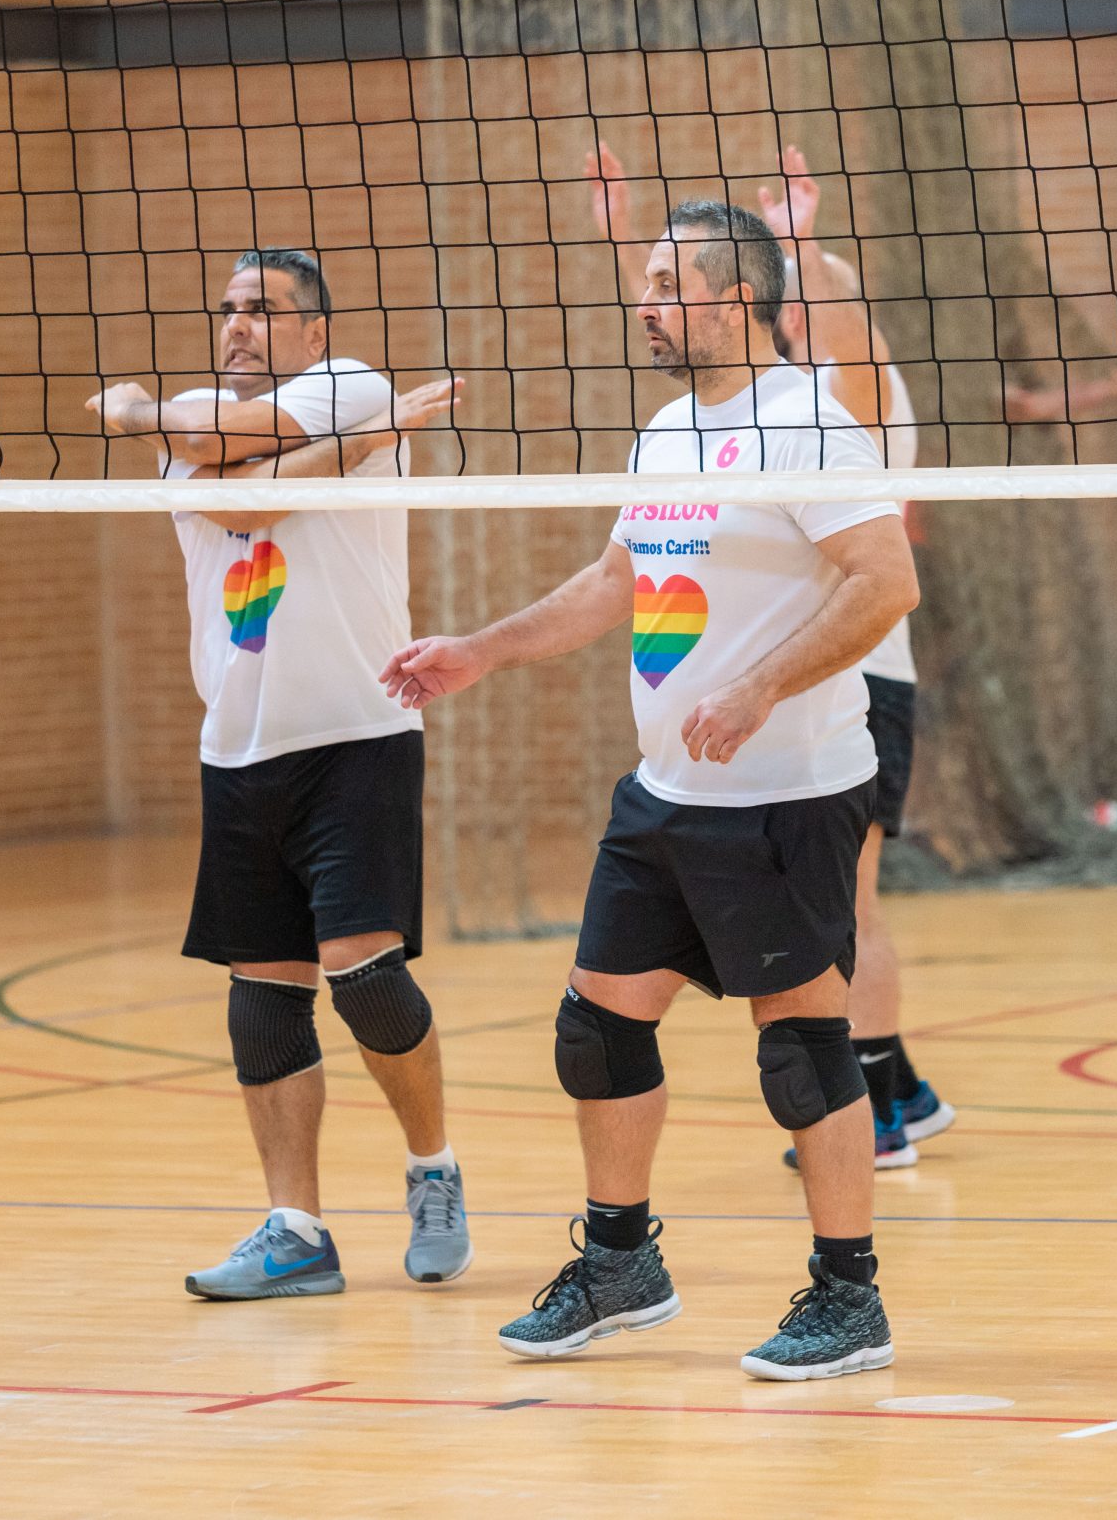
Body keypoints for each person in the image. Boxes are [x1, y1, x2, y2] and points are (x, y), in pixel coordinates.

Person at [383, 203, 919, 1379]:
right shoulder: (668, 429)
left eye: (669, 283)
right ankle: (621, 1262)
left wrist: (761, 686)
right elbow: (614, 579)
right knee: (598, 1024)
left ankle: (850, 1296)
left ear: (738, 298)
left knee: (801, 1049)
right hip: (666, 791)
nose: (646, 303)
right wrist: (480, 649)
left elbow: (885, 584)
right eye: (647, 281)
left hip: (785, 794)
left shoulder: (810, 424)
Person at [86, 248, 471, 1300]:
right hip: (239, 744)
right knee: (263, 994)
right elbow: (232, 493)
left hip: (357, 730)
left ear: (313, 331)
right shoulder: (195, 426)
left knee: (364, 972)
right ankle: (295, 1227)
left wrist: (136, 411)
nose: (239, 324)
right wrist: (347, 452)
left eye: (263, 309)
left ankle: (433, 1166)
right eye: (228, 308)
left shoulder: (351, 384)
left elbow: (239, 484)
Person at [587, 142, 956, 1168]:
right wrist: (627, 239)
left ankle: (876, 1104)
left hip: (854, 672)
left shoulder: (844, 405)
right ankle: (903, 1087)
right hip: (771, 684)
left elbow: (831, 327)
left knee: (850, 910)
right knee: (831, 917)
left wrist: (804, 244)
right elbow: (684, 305)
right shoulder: (725, 412)